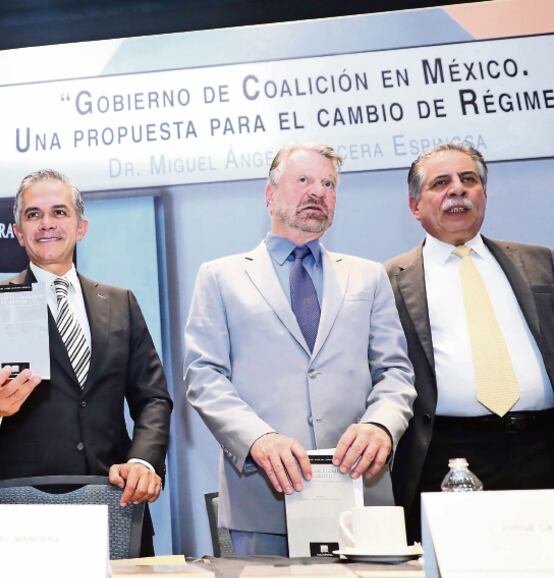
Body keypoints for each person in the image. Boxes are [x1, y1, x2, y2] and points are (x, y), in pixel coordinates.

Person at [184, 143, 415, 556]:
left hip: (360, 495)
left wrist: (380, 426)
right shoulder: (220, 277)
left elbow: (395, 373)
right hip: (263, 502)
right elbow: (203, 376)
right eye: (303, 180)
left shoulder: (369, 277)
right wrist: (258, 439)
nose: (317, 192)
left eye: (328, 184)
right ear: (270, 195)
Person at [0, 169, 172, 554]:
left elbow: (153, 397)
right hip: (24, 510)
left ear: (81, 227)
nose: (46, 224)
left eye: (59, 212)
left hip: (113, 501)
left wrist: (144, 462)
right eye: (33, 215)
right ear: (18, 232)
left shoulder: (121, 303)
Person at [386, 142, 554, 540]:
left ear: (484, 195)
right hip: (449, 455)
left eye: (469, 180)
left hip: (543, 446)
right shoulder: (388, 280)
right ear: (415, 206)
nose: (457, 190)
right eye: (440, 182)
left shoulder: (542, 262)